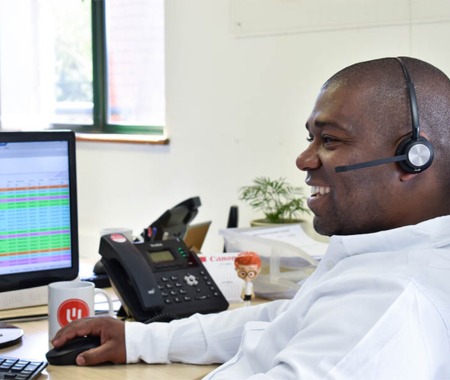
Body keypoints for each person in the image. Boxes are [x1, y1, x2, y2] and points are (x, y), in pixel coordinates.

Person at [52, 57, 450, 379]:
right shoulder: (380, 263)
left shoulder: (389, 303)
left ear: (414, 158)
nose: (304, 159)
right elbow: (284, 319)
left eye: (329, 140)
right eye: (310, 138)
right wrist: (139, 341)